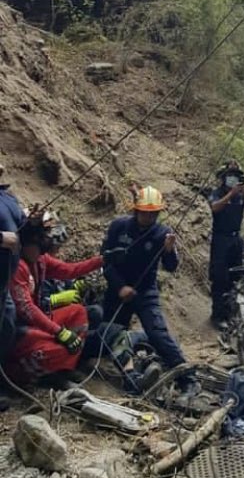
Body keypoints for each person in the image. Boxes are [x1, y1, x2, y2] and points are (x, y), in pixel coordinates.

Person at [101, 185, 195, 391]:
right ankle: (131, 377)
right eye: (145, 213)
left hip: (145, 291)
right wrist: (120, 287)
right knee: (111, 335)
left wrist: (169, 251)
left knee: (157, 332)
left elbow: (171, 267)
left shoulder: (163, 233)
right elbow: (105, 262)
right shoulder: (119, 226)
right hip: (117, 291)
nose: (149, 218)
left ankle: (188, 378)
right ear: (136, 210)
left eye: (153, 214)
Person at [6, 215, 102, 384]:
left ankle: (62, 369)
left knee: (78, 312)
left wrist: (102, 261)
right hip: (18, 328)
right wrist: (59, 332)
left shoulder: (40, 259)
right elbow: (26, 308)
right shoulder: (16, 265)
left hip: (34, 321)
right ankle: (19, 376)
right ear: (26, 243)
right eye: (40, 241)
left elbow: (70, 270)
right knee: (55, 348)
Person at [208, 161, 244, 327]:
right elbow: (214, 208)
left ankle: (230, 314)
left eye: (236, 177)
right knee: (220, 277)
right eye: (230, 176)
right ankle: (217, 316)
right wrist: (230, 194)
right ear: (223, 178)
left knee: (235, 277)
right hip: (221, 239)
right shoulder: (217, 193)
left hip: (236, 239)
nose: (233, 180)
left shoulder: (241, 195)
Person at [0, 167, 25, 405]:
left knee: (6, 325)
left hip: (4, 281)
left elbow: (23, 229)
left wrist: (34, 220)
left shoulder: (8, 198)